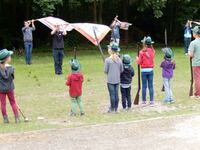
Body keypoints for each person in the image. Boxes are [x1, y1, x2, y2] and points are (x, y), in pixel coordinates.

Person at [0, 49, 20, 123]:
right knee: (13, 102)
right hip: (10, 88)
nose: (10, 57)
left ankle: (5, 119)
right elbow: (12, 78)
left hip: (1, 89)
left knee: (3, 104)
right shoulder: (11, 68)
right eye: (10, 56)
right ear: (7, 59)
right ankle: (17, 118)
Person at [136, 36, 156, 106]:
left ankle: (144, 101)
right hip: (150, 70)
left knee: (144, 86)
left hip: (143, 71)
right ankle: (151, 101)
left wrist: (137, 58)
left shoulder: (141, 52)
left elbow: (139, 62)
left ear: (145, 44)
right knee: (151, 86)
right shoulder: (153, 51)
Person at [105, 43, 124, 113]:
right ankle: (116, 108)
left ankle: (112, 109)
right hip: (117, 79)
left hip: (110, 80)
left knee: (112, 95)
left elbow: (105, 71)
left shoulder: (107, 60)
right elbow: (122, 70)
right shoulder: (119, 59)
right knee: (116, 94)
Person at [188, 26, 200, 99]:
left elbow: (191, 54)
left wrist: (189, 53)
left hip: (196, 63)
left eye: (193, 32)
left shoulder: (193, 43)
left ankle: (197, 94)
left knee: (197, 78)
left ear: (195, 34)